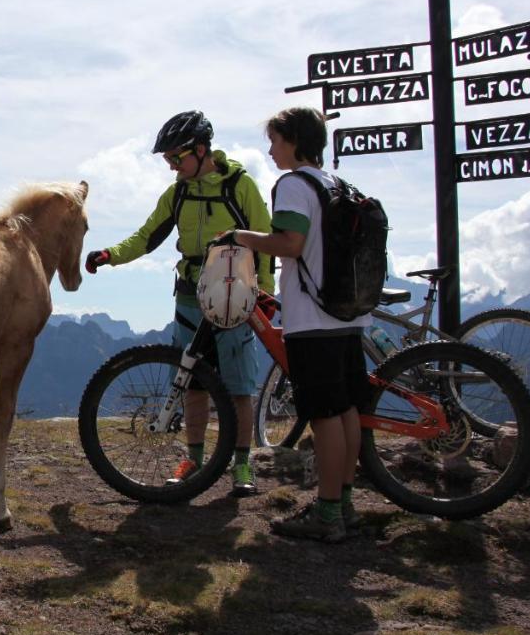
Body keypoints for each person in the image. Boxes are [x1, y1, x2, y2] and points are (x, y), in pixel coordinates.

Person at [85, 110, 273, 496]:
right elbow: (147, 236)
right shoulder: (179, 192)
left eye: (177, 157)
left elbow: (266, 242)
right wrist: (110, 254)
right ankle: (195, 460)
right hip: (190, 295)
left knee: (238, 387)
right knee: (193, 383)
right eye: (167, 160)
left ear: (202, 150)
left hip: (235, 296)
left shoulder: (241, 186)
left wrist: (265, 294)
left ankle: (242, 466)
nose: (172, 167)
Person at [227, 106, 370, 542]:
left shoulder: (293, 184)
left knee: (323, 417)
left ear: (293, 140)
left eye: (274, 140)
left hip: (312, 317)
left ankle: (326, 516)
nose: (270, 150)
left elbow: (290, 243)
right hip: (348, 313)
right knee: (346, 411)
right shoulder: (336, 182)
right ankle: (343, 504)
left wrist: (240, 237)